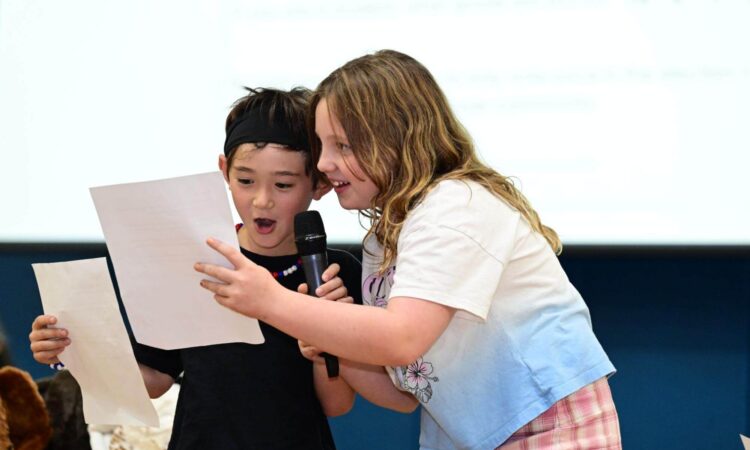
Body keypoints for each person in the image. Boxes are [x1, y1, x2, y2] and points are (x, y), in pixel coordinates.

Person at [195, 51, 622, 450]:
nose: (324, 163)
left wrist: (270, 301)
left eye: (342, 145)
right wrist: (331, 336)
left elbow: (402, 338)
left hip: (544, 426)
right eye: (322, 146)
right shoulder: (386, 237)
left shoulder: (456, 204)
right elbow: (401, 390)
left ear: (394, 139)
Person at [29, 87, 363, 450]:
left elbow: (337, 404)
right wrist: (74, 351)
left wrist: (324, 344)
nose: (262, 200)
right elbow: (155, 379)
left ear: (319, 182)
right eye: (246, 181)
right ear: (224, 170)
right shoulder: (197, 260)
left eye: (283, 184)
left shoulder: (332, 273)